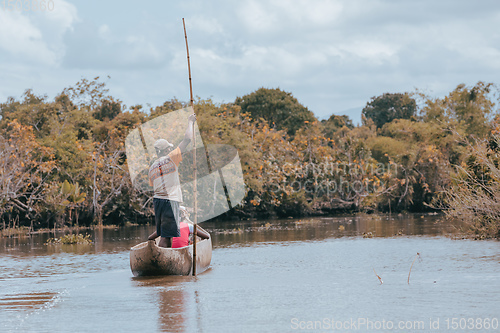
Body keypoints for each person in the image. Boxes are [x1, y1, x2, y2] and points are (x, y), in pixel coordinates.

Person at [147, 113, 196, 248]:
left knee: (164, 234)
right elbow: (187, 139)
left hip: (157, 201)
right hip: (170, 201)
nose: (171, 148)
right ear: (167, 149)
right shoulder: (171, 157)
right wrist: (190, 122)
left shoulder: (152, 168)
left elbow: (155, 185)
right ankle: (162, 260)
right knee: (167, 237)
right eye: (169, 147)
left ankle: (162, 257)